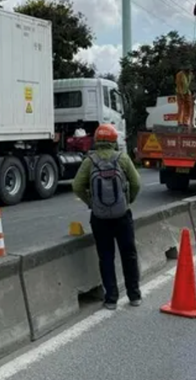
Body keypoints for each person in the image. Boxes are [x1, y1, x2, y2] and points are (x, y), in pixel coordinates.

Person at [72, 124, 142, 310]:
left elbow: (77, 186)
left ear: (97, 140)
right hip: (122, 216)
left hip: (100, 218)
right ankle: (134, 295)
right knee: (129, 255)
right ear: (113, 140)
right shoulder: (123, 158)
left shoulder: (90, 161)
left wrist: (91, 203)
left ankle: (111, 299)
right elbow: (136, 183)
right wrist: (127, 201)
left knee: (106, 257)